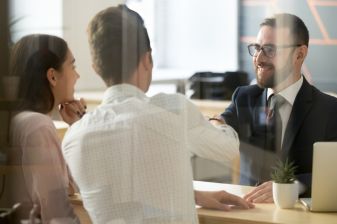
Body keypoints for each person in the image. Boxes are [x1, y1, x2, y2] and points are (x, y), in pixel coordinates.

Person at [62, 5, 253, 224]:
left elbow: (123, 197)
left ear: (96, 67)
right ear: (147, 59)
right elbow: (228, 148)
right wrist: (218, 121)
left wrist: (194, 196)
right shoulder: (172, 109)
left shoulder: (74, 137)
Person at [212, 13, 337, 202]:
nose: (259, 58)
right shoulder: (244, 97)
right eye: (257, 48)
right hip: (247, 213)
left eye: (270, 49)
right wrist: (215, 123)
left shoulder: (332, 111)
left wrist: (291, 186)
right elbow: (221, 123)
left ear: (300, 54)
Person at [6, 34, 86, 223]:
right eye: (72, 66)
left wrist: (75, 126)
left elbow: (69, 188)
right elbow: (57, 212)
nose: (77, 75)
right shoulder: (38, 126)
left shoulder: (21, 120)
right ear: (52, 76)